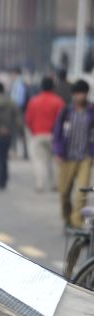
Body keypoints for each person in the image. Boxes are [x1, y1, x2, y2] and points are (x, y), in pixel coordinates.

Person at [54, 80, 94, 230]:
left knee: (82, 192)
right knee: (64, 192)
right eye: (78, 93)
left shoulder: (91, 111)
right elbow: (57, 132)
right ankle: (67, 218)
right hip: (67, 157)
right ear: (74, 94)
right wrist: (58, 151)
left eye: (83, 93)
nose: (81, 96)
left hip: (85, 158)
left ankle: (77, 222)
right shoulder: (67, 111)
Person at [24, 76, 66, 192]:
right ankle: (55, 184)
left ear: (41, 87)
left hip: (38, 134)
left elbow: (28, 119)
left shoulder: (34, 101)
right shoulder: (59, 101)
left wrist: (33, 130)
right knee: (54, 161)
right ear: (53, 87)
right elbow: (63, 120)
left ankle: (40, 184)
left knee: (39, 161)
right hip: (54, 136)